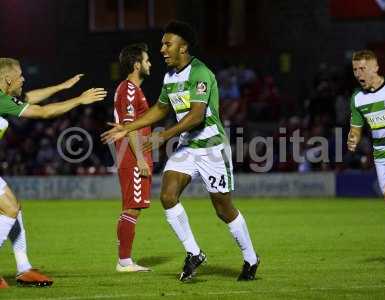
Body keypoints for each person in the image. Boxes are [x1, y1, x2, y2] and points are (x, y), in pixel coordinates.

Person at [102, 20, 259, 281]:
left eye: (167, 44)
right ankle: (194, 253)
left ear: (183, 47)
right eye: (162, 44)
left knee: (223, 209)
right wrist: (127, 128)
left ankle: (251, 258)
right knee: (167, 195)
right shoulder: (170, 76)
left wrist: (163, 135)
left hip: (211, 149)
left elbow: (197, 116)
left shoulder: (200, 73)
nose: (162, 49)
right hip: (187, 147)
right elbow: (161, 109)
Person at [0, 57, 107, 288]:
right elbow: (44, 112)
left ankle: (24, 268)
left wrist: (61, 87)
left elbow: (29, 98)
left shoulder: (4, 98)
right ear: (8, 79)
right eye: (20, 75)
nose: (24, 78)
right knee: (10, 208)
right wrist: (79, 99)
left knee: (14, 208)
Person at [347, 50, 385, 228]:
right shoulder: (357, 98)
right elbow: (355, 129)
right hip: (381, 156)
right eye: (355, 69)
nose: (358, 73)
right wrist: (352, 139)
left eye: (362, 68)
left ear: (375, 68)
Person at [113, 43, 152, 272]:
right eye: (146, 60)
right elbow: (130, 126)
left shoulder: (134, 90)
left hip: (134, 153)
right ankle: (124, 261)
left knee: (132, 207)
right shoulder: (128, 89)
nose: (150, 64)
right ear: (137, 65)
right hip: (131, 155)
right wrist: (140, 159)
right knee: (132, 208)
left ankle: (124, 260)